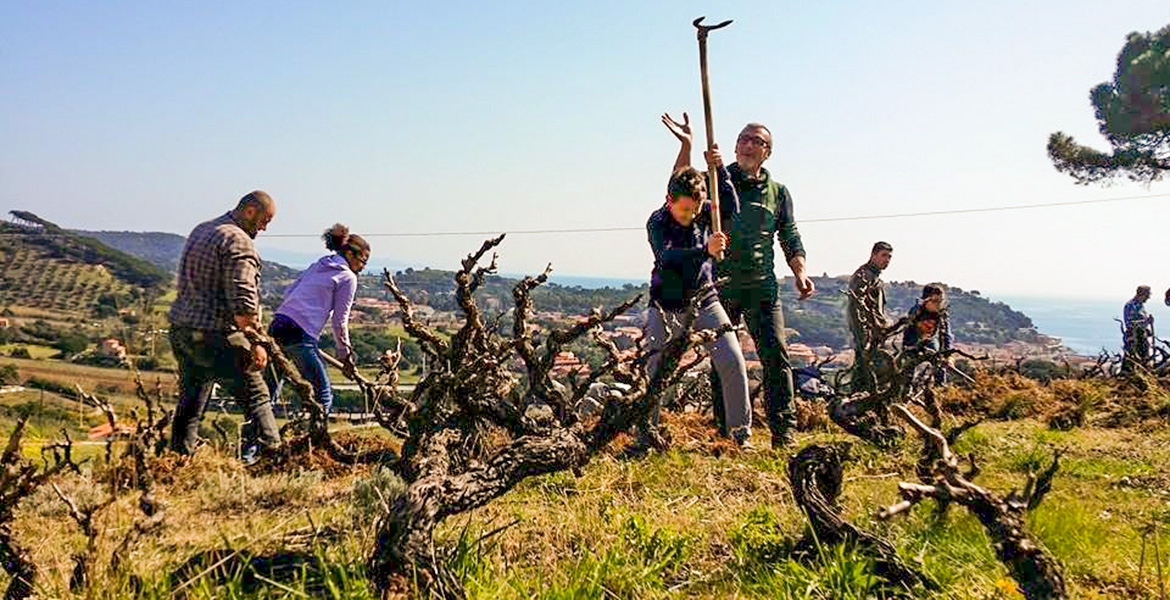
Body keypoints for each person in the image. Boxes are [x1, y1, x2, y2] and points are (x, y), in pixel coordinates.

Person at [662, 114, 814, 449]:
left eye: (756, 140)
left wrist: (800, 270)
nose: (748, 144)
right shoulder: (715, 181)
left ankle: (783, 434)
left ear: (767, 152)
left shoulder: (778, 192)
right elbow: (678, 190)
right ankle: (727, 434)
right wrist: (687, 146)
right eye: (743, 138)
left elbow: (789, 235)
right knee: (725, 361)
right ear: (734, 145)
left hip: (762, 287)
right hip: (719, 286)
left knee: (776, 359)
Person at [642, 138, 753, 447]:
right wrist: (705, 250)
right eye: (685, 210)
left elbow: (730, 205)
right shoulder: (657, 222)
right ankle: (646, 434)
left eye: (696, 209)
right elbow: (668, 257)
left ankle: (739, 437)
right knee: (655, 371)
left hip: (705, 301)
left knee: (732, 362)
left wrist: (719, 168)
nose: (691, 215)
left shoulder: (703, 211)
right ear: (669, 200)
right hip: (665, 305)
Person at [242, 224, 370, 463]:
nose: (363, 267)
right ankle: (312, 447)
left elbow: (292, 290)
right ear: (350, 254)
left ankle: (249, 454)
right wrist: (345, 355)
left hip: (279, 324)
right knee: (323, 392)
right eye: (363, 260)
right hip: (301, 334)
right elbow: (340, 321)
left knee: (267, 393)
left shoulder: (319, 264)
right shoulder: (347, 277)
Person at [168, 191, 282, 457]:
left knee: (190, 404)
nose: (264, 228)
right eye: (264, 220)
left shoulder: (203, 230)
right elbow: (243, 303)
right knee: (257, 396)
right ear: (250, 211)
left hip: (184, 330)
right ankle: (275, 457)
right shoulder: (239, 241)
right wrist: (257, 343)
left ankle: (178, 461)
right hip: (217, 334)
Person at [847, 241, 893, 394]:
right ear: (873, 255)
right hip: (864, 328)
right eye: (883, 255)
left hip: (875, 329)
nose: (887, 260)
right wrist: (865, 329)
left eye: (889, 257)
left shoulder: (875, 277)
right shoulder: (864, 275)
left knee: (870, 364)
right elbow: (856, 305)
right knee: (863, 364)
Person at [901, 283, 954, 384]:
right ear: (926, 300)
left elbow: (947, 335)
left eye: (940, 301)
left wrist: (949, 356)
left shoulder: (942, 315)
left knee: (940, 368)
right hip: (914, 346)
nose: (938, 304)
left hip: (934, 348)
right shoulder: (916, 312)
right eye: (935, 301)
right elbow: (909, 334)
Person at [1123, 285, 1153, 371]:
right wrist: (1146, 322)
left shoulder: (1141, 306)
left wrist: (1147, 325)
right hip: (1133, 339)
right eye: (1147, 295)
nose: (1148, 298)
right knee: (1131, 363)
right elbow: (1130, 324)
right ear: (1142, 294)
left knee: (1144, 362)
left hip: (1142, 338)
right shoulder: (1130, 305)